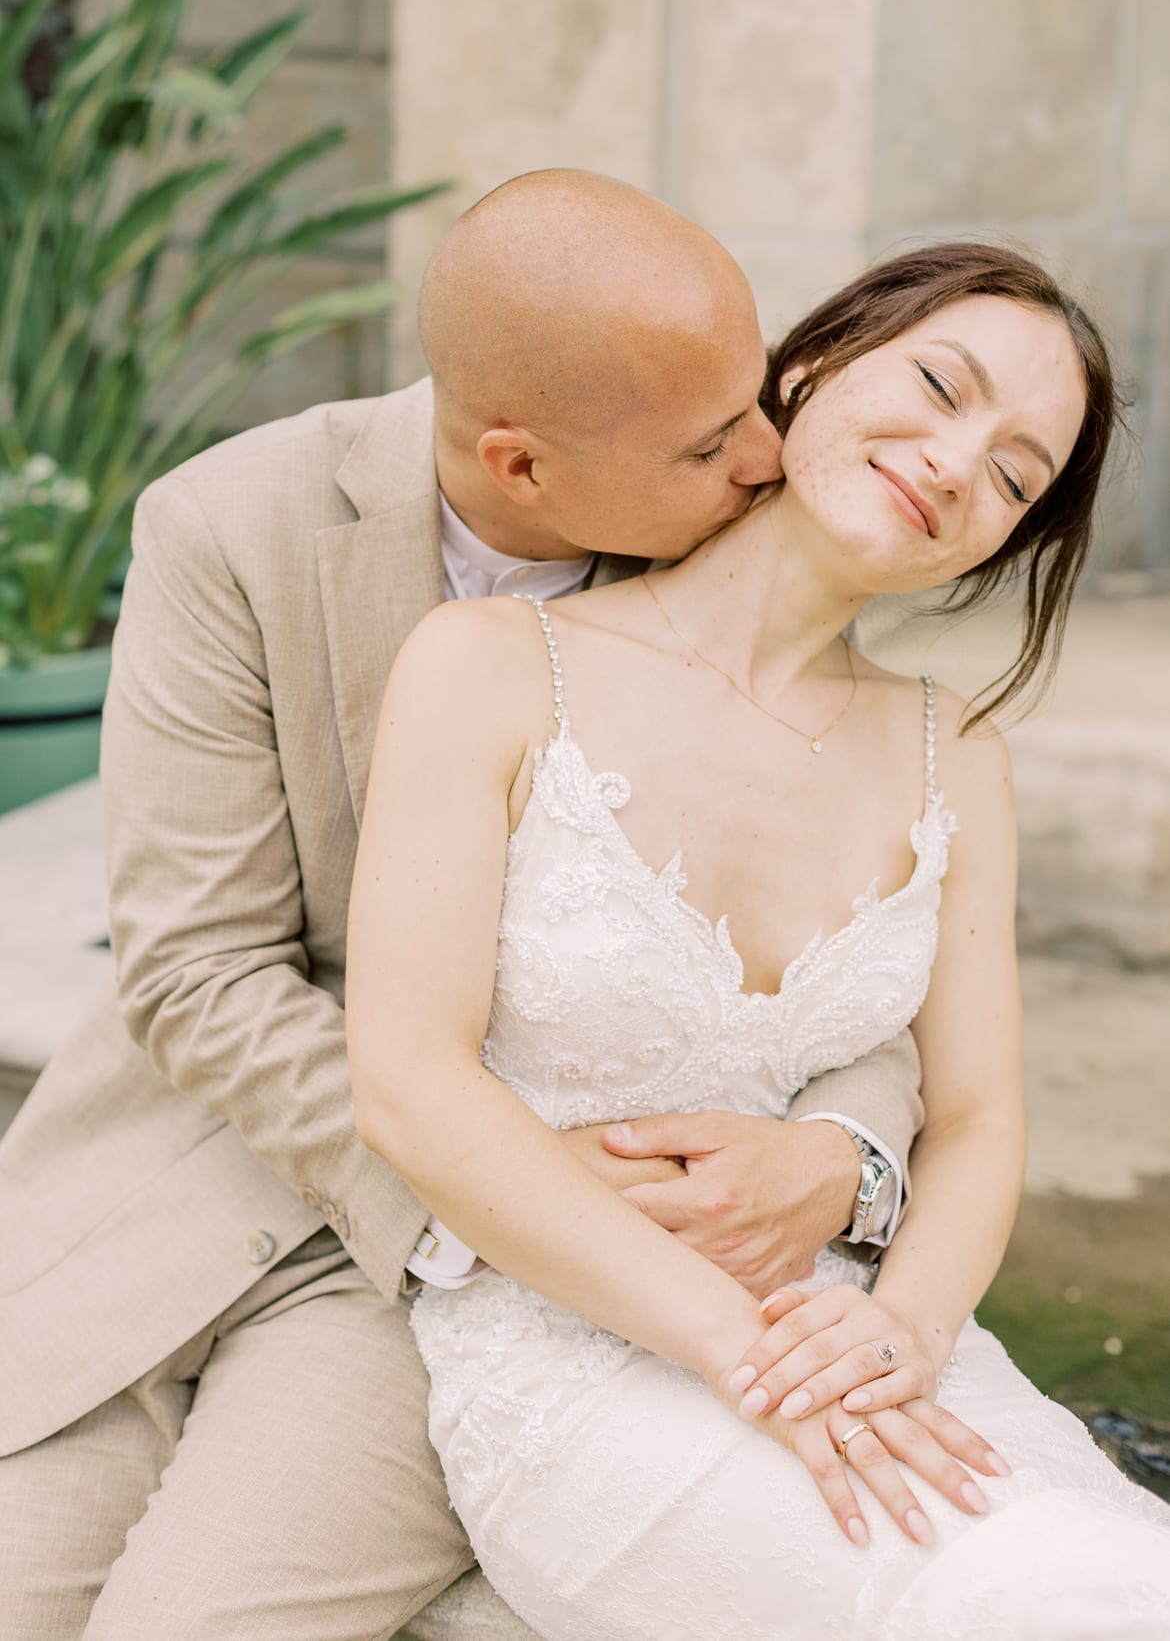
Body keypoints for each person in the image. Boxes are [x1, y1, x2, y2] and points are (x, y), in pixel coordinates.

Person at [0, 172, 936, 1640]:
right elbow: (197, 972)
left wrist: (846, 1156)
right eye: (713, 442)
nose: (770, 461)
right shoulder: (229, 525)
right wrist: (480, 1190)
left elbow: (855, 934)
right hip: (193, 1183)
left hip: (501, 1287)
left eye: (758, 402)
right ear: (519, 470)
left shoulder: (740, 558)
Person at [345, 227, 1170, 1638]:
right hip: (570, 1356)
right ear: (810, 365)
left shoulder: (950, 753)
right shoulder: (491, 670)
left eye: (1016, 474)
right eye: (939, 385)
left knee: (1108, 1571)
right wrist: (743, 1349)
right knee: (1010, 1598)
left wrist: (901, 1330)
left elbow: (974, 1119)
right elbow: (409, 1087)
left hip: (861, 1341)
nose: (958, 462)